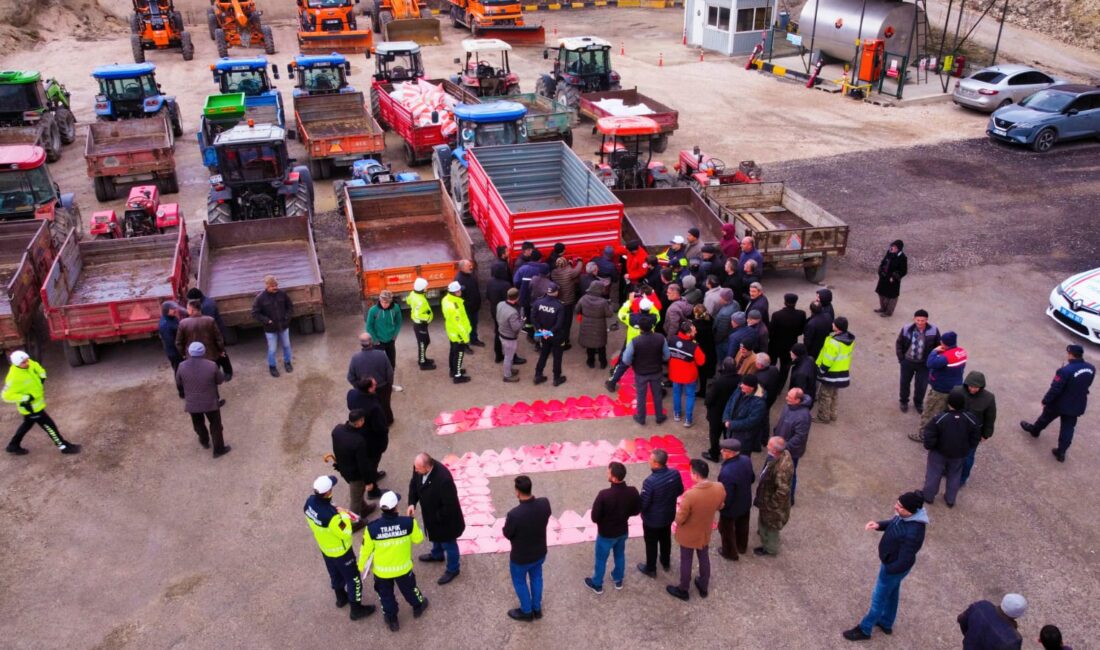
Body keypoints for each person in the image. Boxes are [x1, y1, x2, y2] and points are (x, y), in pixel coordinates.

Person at [843, 492, 928, 641]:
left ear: (909, 511)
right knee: (892, 592)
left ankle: (865, 629)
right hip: (891, 566)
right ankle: (886, 622)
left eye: (900, 506)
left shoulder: (913, 533)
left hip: (892, 569)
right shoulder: (906, 516)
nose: (895, 507)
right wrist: (879, 525)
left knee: (879, 600)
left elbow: (904, 560)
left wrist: (888, 571)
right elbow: (894, 523)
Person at [304, 475, 375, 621]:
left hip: (325, 549)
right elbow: (347, 533)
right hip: (341, 552)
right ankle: (356, 610)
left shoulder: (309, 502)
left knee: (334, 573)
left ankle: (341, 598)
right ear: (328, 492)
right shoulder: (333, 517)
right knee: (354, 579)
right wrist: (343, 515)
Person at [359, 491, 429, 632]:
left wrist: (360, 566)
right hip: (403, 569)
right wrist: (412, 520)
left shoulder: (372, 528)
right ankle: (418, 606)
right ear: (396, 507)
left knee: (386, 596)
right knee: (410, 590)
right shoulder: (407, 523)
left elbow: (365, 550)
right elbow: (418, 539)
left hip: (382, 572)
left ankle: (392, 620)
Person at [1021, 344, 1095, 462]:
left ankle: (1035, 431)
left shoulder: (1065, 371)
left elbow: (1055, 388)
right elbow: (1088, 384)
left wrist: (1046, 400)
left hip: (1059, 403)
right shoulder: (1091, 368)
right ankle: (1061, 452)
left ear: (1071, 355)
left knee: (1045, 417)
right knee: (1068, 428)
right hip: (1077, 404)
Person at [666, 459, 725, 600]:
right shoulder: (719, 487)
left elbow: (680, 519)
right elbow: (721, 505)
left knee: (686, 560)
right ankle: (703, 585)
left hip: (689, 534)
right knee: (704, 557)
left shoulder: (691, 495)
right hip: (704, 530)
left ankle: (683, 588)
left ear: (696, 475)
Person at [3, 351, 80, 455]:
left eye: (27, 360)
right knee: (49, 426)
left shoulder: (29, 363)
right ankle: (63, 446)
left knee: (27, 424)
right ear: (16, 364)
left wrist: (42, 376)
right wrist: (26, 397)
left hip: (37, 405)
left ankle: (13, 445)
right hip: (31, 408)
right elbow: (5, 396)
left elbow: (38, 368)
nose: (27, 363)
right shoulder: (13, 378)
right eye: (23, 362)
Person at [408, 453, 465, 585]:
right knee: (435, 536)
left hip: (445, 521)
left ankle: (453, 569)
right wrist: (412, 503)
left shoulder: (444, 479)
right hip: (432, 517)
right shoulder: (419, 468)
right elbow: (414, 484)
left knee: (449, 544)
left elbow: (449, 506)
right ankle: (437, 554)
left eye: (418, 469)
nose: (415, 471)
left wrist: (436, 517)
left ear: (427, 467)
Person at [585, 461, 641, 594]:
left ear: (614, 478)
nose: (607, 473)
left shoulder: (604, 495)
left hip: (606, 534)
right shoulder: (632, 491)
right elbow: (637, 510)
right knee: (619, 555)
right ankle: (618, 578)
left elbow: (594, 517)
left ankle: (597, 583)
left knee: (601, 559)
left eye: (608, 472)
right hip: (622, 531)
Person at [502, 475, 552, 622]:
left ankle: (527, 611)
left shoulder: (514, 514)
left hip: (521, 557)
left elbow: (507, 533)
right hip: (539, 552)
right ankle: (537, 608)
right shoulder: (544, 503)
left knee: (520, 582)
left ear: (517, 492)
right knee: (537, 578)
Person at [921, 387, 980, 507]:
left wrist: (929, 446)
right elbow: (975, 437)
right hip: (959, 454)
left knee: (934, 473)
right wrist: (969, 447)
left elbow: (929, 433)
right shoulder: (971, 419)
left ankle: (928, 495)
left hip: (939, 452)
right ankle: (950, 499)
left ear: (949, 403)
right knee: (954, 475)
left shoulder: (940, 418)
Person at [175, 342, 230, 458]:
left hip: (192, 402)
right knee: (215, 425)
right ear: (203, 352)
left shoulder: (181, 366)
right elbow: (220, 380)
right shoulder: (211, 365)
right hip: (210, 401)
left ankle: (204, 441)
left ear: (189, 352)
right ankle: (218, 449)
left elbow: (179, 383)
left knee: (198, 423)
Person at [636, 448, 684, 577]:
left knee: (651, 544)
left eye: (650, 459)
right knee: (665, 539)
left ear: (656, 463)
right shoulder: (675, 474)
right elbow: (680, 490)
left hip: (652, 520)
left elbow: (643, 504)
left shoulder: (650, 482)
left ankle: (651, 568)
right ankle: (665, 561)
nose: (648, 461)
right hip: (668, 515)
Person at [914, 330, 967, 441]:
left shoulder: (946, 357)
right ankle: (942, 433)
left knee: (930, 411)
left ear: (944, 343)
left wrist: (934, 351)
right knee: (946, 413)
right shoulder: (962, 352)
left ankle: (923, 435)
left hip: (940, 390)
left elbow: (930, 363)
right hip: (955, 388)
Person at [331, 409, 378, 529]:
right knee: (355, 499)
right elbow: (363, 465)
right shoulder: (358, 441)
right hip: (355, 475)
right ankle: (354, 522)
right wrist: (368, 482)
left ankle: (364, 508)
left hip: (343, 469)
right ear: (359, 422)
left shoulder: (337, 430)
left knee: (357, 494)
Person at [344, 380, 389, 500]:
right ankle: (373, 489)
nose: (376, 386)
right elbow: (380, 427)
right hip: (372, 441)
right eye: (374, 385)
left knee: (370, 462)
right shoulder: (373, 406)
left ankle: (373, 475)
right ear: (369, 389)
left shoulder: (351, 394)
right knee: (372, 462)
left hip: (360, 434)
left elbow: (350, 407)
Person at [622, 317, 670, 425]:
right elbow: (667, 356)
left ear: (640, 329)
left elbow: (625, 359)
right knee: (657, 394)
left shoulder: (635, 341)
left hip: (640, 372)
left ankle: (641, 417)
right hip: (656, 371)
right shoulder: (660, 338)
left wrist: (633, 363)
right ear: (652, 327)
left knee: (641, 396)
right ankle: (659, 416)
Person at [753, 436, 794, 556]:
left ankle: (770, 548)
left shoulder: (781, 469)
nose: (766, 446)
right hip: (767, 497)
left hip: (772, 506)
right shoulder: (782, 454)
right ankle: (763, 531)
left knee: (771, 527)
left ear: (775, 450)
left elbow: (782, 491)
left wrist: (771, 505)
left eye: (769, 445)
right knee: (765, 522)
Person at [716, 438, 754, 561]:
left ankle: (729, 552)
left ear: (731, 453)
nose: (721, 451)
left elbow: (727, 495)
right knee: (743, 525)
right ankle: (741, 546)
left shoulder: (727, 472)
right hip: (745, 501)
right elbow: (752, 478)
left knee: (726, 530)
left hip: (731, 508)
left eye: (724, 450)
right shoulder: (746, 460)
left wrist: (722, 506)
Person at [896, 310, 941, 414]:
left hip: (924, 364)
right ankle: (903, 401)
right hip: (908, 362)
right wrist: (901, 359)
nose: (920, 322)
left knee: (921, 385)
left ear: (927, 320)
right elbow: (899, 344)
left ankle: (918, 403)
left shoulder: (934, 330)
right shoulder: (906, 329)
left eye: (923, 320)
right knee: (904, 383)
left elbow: (938, 346)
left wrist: (932, 361)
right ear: (914, 319)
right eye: (918, 320)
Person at [774, 388, 812, 505]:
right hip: (780, 445)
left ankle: (789, 498)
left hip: (791, 451)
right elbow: (782, 421)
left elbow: (799, 437)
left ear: (797, 400)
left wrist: (783, 447)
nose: (786, 398)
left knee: (790, 473)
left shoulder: (804, 416)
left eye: (789, 397)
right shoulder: (789, 406)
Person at [348, 333, 395, 425]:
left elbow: (350, 377)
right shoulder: (382, 355)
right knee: (385, 406)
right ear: (372, 342)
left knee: (367, 407)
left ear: (361, 344)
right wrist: (388, 385)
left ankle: (370, 423)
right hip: (382, 387)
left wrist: (359, 386)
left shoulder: (355, 358)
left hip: (365, 389)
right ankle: (388, 421)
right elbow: (390, 373)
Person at [814, 316, 855, 424]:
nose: (832, 325)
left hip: (831, 374)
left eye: (834, 324)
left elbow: (828, 360)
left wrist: (821, 371)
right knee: (834, 395)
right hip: (841, 373)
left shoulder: (834, 342)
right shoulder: (848, 340)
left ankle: (823, 417)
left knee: (825, 395)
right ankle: (833, 414)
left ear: (837, 328)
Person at [251, 275, 294, 377]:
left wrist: (287, 318)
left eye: (276, 285)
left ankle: (287, 363)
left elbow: (290, 307)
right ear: (266, 286)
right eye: (272, 286)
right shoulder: (260, 298)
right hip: (270, 330)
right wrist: (267, 321)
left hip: (283, 326)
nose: (275, 287)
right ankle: (272, 367)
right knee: (272, 349)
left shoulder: (282, 294)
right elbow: (255, 313)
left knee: (286, 346)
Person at [187, 287, 233, 379]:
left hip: (215, 335)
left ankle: (228, 372)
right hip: (212, 334)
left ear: (197, 299)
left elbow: (207, 323)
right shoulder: (204, 302)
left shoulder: (207, 306)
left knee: (221, 354)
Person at [961, 371, 997, 486]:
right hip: (957, 429)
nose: (972, 389)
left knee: (968, 458)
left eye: (976, 387)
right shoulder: (958, 391)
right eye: (971, 386)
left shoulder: (989, 398)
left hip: (973, 434)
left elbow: (990, 417)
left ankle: (963, 478)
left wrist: (986, 434)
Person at [718, 374, 767, 458]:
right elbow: (730, 402)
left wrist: (731, 424)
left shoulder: (759, 403)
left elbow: (751, 421)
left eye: (744, 385)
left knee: (740, 457)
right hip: (731, 430)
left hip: (744, 437)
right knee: (729, 452)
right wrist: (726, 418)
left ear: (751, 388)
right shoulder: (740, 389)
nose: (741, 385)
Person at [957, 593, 1027, 649]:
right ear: (1018, 615)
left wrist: (970, 637)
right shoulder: (1013, 640)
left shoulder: (981, 605)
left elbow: (961, 619)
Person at [704, 358, 742, 462]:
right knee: (728, 434)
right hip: (731, 413)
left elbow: (709, 399)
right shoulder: (740, 380)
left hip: (717, 413)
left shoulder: (719, 382)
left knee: (714, 434)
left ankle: (714, 454)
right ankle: (728, 453)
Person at [365, 290, 403, 392]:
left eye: (387, 302)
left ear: (391, 301)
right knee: (378, 365)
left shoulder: (396, 308)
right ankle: (377, 386)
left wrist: (395, 334)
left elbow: (399, 322)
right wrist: (375, 339)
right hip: (378, 343)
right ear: (380, 300)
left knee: (391, 365)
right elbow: (369, 326)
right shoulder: (373, 310)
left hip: (390, 341)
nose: (384, 304)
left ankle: (389, 386)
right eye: (383, 302)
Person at [669, 321, 706, 428]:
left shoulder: (672, 339)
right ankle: (688, 420)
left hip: (675, 373)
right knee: (690, 396)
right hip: (689, 376)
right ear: (688, 333)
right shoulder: (694, 346)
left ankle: (677, 414)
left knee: (676, 393)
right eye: (694, 330)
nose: (696, 331)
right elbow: (701, 362)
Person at [531, 283, 567, 386]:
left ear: (547, 291)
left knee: (543, 353)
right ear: (555, 292)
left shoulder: (538, 302)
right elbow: (559, 324)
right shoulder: (559, 306)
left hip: (544, 335)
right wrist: (549, 332)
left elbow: (533, 317)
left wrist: (541, 331)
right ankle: (556, 378)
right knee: (557, 356)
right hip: (556, 336)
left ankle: (538, 375)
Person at [769, 293, 806, 384]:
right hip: (790, 345)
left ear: (785, 302)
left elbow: (771, 331)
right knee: (785, 368)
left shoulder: (777, 315)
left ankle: (769, 381)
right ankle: (780, 386)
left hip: (775, 344)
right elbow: (801, 330)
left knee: (771, 364)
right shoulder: (801, 314)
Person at [176, 299, 226, 364]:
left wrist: (184, 354)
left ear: (191, 310)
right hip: (211, 356)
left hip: (192, 357)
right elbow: (219, 338)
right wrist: (221, 350)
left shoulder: (183, 323)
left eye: (187, 308)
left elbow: (178, 343)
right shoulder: (210, 320)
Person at [577, 281, 613, 369]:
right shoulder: (603, 302)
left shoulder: (583, 298)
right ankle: (603, 363)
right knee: (601, 346)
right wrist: (610, 306)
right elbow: (609, 314)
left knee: (589, 345)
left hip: (586, 325)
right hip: (599, 326)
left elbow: (577, 309)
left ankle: (590, 362)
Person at [441, 281, 471, 384]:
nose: (461, 292)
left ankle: (453, 370)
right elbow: (458, 324)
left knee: (453, 352)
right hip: (458, 334)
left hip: (452, 332)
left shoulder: (446, 299)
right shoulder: (454, 307)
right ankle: (457, 376)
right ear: (456, 292)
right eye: (459, 290)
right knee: (459, 355)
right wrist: (465, 337)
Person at [487, 247, 513, 364]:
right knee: (508, 333)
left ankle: (498, 355)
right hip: (504, 311)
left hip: (494, 309)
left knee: (498, 331)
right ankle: (511, 356)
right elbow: (511, 300)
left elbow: (487, 296)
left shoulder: (490, 282)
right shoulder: (506, 285)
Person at [550, 256, 582, 346]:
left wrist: (569, 264)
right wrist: (580, 260)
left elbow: (566, 271)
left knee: (559, 321)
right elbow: (577, 270)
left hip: (557, 302)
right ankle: (565, 341)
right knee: (567, 323)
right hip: (568, 302)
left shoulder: (553, 273)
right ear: (565, 265)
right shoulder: (569, 272)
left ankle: (558, 338)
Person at [406, 278, 436, 370]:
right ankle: (422, 363)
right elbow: (417, 314)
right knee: (423, 343)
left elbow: (408, 301)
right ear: (421, 288)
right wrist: (427, 318)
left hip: (419, 325)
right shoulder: (420, 300)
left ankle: (423, 359)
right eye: (425, 287)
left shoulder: (413, 294)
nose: (427, 288)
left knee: (425, 341)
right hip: (420, 324)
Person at [496, 288, 525, 382]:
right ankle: (507, 375)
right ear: (517, 298)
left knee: (508, 355)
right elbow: (516, 327)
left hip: (501, 333)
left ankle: (509, 370)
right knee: (508, 357)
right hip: (509, 337)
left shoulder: (500, 304)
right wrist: (522, 320)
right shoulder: (513, 312)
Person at [454, 259, 483, 347]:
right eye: (469, 266)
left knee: (474, 324)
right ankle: (465, 345)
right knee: (466, 327)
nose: (471, 267)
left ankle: (474, 339)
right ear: (462, 268)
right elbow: (458, 297)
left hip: (474, 307)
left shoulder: (471, 275)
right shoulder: (459, 280)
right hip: (466, 309)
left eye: (471, 265)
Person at [875, 240, 907, 317]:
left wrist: (895, 276)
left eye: (895, 247)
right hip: (884, 277)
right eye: (892, 246)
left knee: (891, 296)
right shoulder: (889, 253)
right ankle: (883, 308)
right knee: (881, 293)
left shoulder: (902, 258)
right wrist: (880, 270)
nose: (892, 248)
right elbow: (883, 262)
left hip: (893, 280)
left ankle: (888, 312)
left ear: (899, 249)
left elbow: (903, 271)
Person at [691, 303, 717, 396]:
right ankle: (704, 385)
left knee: (701, 371)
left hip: (700, 349)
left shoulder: (695, 324)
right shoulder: (710, 319)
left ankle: (702, 390)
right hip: (710, 347)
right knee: (705, 369)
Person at [158, 301, 183, 376]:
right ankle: (181, 386)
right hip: (174, 353)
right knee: (179, 371)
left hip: (177, 351)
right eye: (172, 309)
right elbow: (171, 342)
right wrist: (181, 352)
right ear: (166, 310)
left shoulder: (173, 318)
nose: (175, 310)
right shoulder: (165, 325)